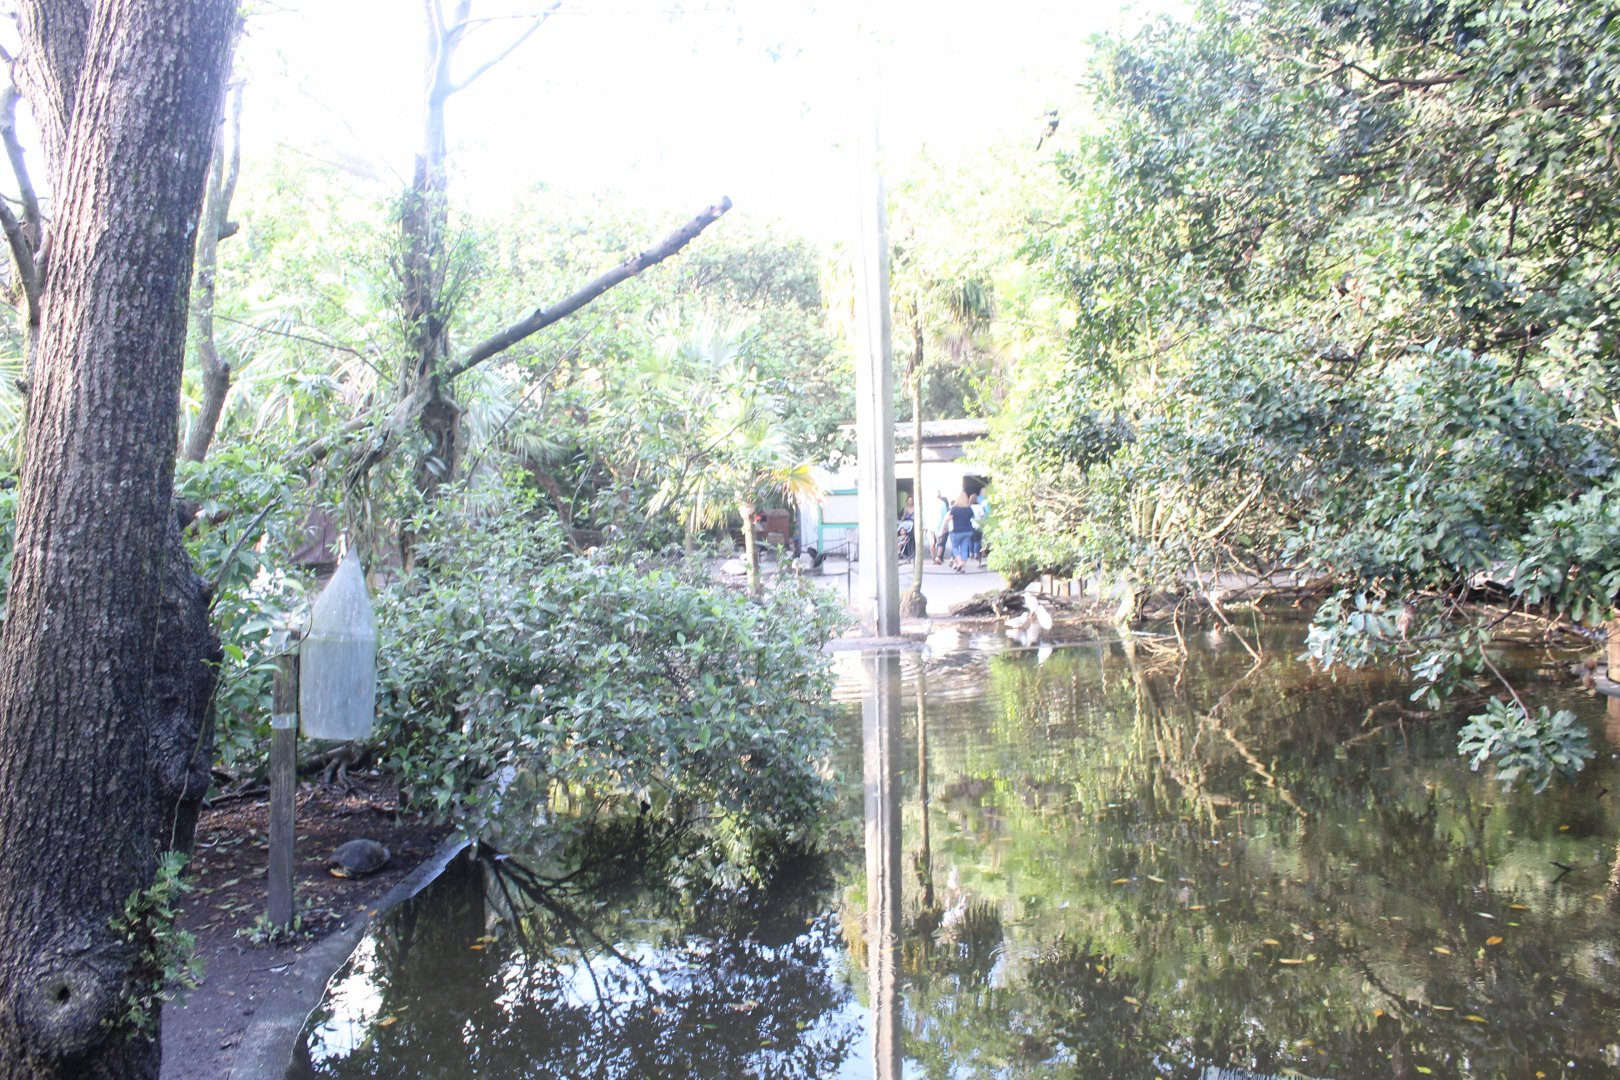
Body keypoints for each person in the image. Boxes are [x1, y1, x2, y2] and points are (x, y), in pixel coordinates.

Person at [946, 493, 976, 572]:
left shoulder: (955, 508)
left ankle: (959, 562)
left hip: (957, 531)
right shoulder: (969, 509)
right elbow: (973, 517)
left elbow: (949, 518)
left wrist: (945, 526)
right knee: (964, 548)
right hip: (968, 531)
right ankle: (963, 567)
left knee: (954, 547)